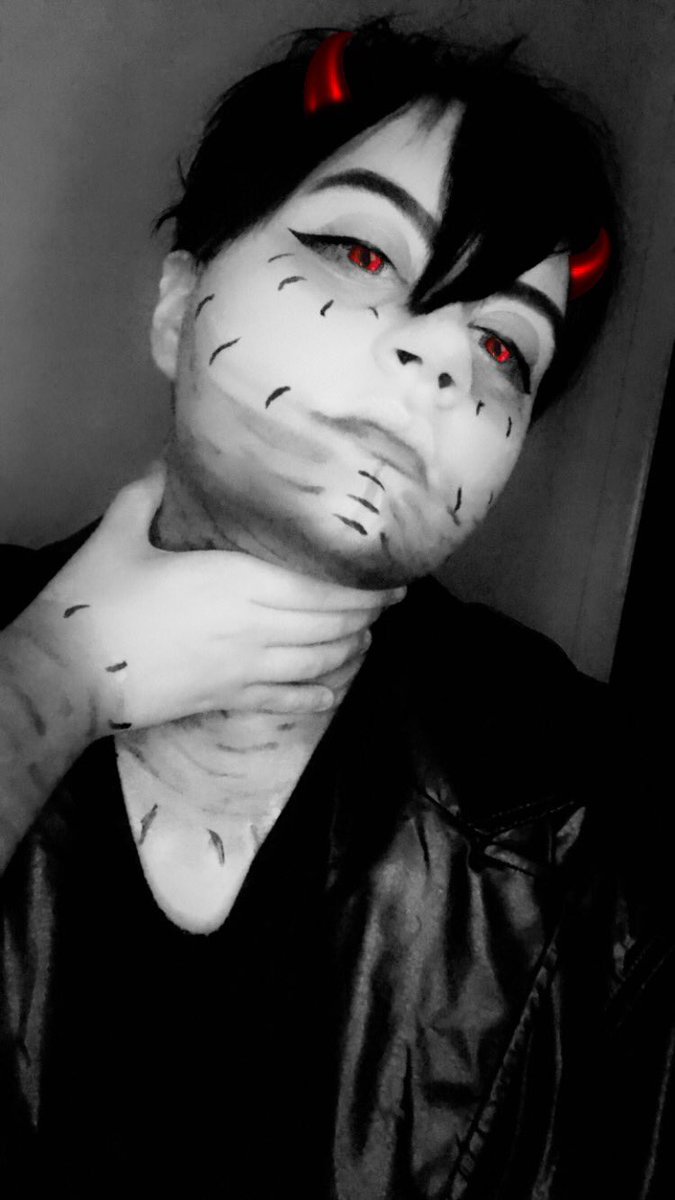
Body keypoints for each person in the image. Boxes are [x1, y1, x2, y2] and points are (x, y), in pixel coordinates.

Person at [1, 17, 671, 1199]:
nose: (442, 362)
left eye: (504, 347)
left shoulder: (588, 810)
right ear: (178, 309)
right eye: (360, 253)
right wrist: (49, 685)